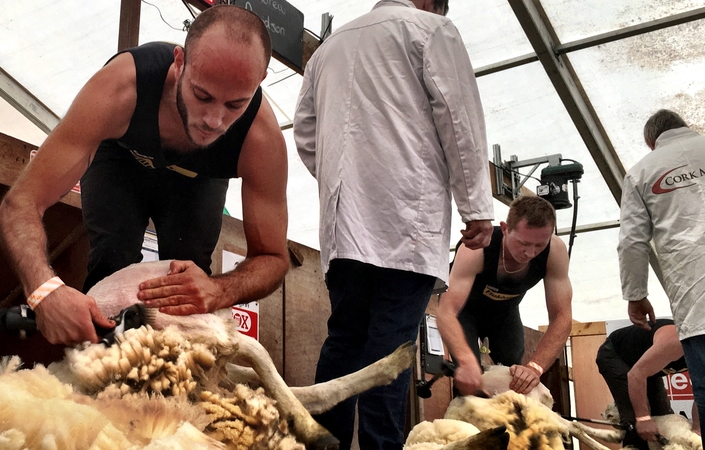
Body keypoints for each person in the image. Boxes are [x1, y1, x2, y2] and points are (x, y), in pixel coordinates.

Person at [0, 5, 289, 346]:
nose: (214, 120)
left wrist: (218, 291)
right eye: (202, 95)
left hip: (199, 180)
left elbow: (273, 258)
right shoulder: (121, 88)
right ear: (179, 63)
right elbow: (20, 204)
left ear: (259, 82)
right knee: (112, 257)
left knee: (188, 275)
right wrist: (44, 291)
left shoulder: (261, 139)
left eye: (235, 105)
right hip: (120, 158)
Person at [293, 0, 494, 448]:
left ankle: (323, 444)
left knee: (344, 339)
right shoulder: (431, 30)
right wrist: (476, 206)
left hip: (344, 224)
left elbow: (306, 133)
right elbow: (458, 119)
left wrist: (343, 181)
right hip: (407, 219)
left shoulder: (329, 48)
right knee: (390, 347)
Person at [619, 109, 705, 435]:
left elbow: (632, 241)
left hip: (697, 300)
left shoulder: (642, 172)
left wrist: (636, 295)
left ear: (650, 142)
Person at [434, 195, 573, 396]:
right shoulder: (476, 249)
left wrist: (535, 367)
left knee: (515, 375)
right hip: (465, 312)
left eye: (539, 245)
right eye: (523, 243)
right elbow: (446, 312)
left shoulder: (555, 251)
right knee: (470, 378)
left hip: (505, 313)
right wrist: (466, 362)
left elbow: (562, 317)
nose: (530, 253)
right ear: (506, 229)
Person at [596, 320, 694, 449]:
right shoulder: (676, 342)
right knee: (635, 421)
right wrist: (643, 418)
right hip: (616, 355)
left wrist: (697, 432)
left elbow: (702, 394)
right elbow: (635, 376)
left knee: (664, 416)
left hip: (645, 365)